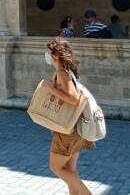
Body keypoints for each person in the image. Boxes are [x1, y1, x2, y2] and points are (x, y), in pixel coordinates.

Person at [43, 36, 94, 195]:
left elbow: (72, 98)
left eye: (49, 52)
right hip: (75, 127)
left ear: (56, 55)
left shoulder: (62, 72)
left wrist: (50, 88)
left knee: (56, 167)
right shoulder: (68, 70)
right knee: (70, 169)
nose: (47, 55)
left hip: (67, 130)